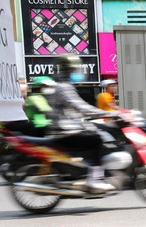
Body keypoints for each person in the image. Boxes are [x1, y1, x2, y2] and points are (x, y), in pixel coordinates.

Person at [44, 54, 116, 192]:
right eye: (74, 69)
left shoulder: (60, 85)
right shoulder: (64, 87)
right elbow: (81, 107)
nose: (77, 72)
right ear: (67, 70)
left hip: (63, 129)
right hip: (65, 131)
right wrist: (108, 113)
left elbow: (73, 110)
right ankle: (94, 179)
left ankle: (85, 171)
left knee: (93, 133)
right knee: (97, 139)